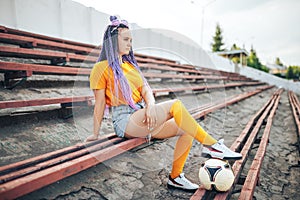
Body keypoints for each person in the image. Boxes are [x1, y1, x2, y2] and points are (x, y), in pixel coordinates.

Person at [86, 16, 242, 191]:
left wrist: (151, 106)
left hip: (142, 114)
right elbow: (99, 104)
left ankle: (175, 177)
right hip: (125, 121)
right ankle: (212, 145)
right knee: (176, 104)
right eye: (126, 39)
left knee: (186, 129)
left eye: (131, 40)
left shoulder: (130, 66)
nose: (130, 44)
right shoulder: (100, 68)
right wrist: (95, 133)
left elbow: (146, 91)